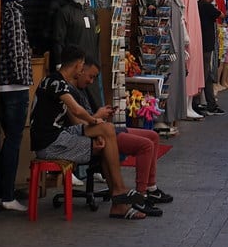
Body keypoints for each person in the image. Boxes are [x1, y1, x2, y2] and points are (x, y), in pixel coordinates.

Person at [30, 43, 148, 219]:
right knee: (104, 142)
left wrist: (97, 127)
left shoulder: (54, 81)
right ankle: (118, 195)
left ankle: (118, 192)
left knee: (106, 129)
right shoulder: (56, 83)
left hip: (60, 135)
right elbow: (76, 111)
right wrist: (94, 120)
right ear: (78, 64)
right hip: (51, 143)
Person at [74, 57, 173, 212]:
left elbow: (89, 117)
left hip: (102, 127)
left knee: (152, 136)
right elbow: (79, 125)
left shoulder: (81, 90)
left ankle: (151, 187)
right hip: (97, 132)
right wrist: (97, 117)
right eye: (90, 76)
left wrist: (100, 115)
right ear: (79, 70)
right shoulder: (68, 92)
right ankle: (141, 195)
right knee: (145, 145)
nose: (91, 81)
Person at [0, 1, 33, 212]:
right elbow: (17, 49)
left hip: (0, 83)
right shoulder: (14, 13)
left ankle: (0, 190)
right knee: (13, 140)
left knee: (6, 140)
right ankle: (6, 194)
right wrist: (22, 78)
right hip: (14, 86)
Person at [196, 0, 224, 115]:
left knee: (204, 74)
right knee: (205, 74)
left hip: (200, 43)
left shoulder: (198, 4)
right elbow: (221, 15)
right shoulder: (208, 7)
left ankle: (209, 103)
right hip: (206, 45)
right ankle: (199, 103)